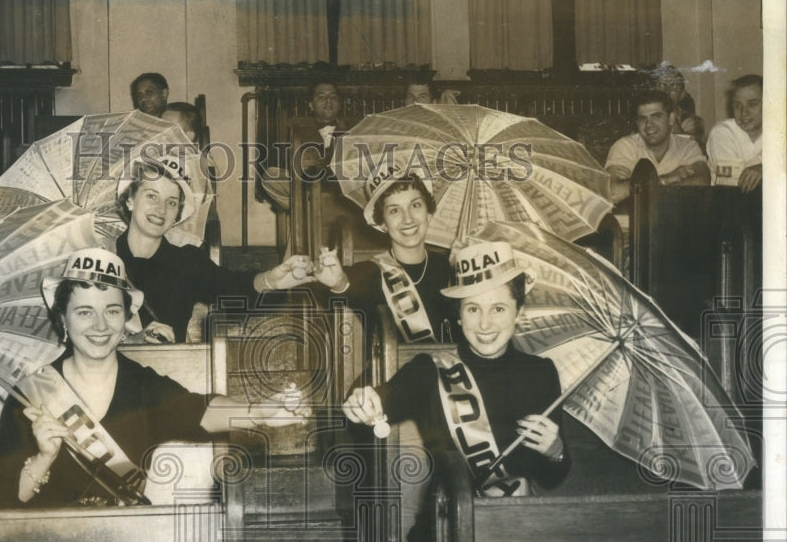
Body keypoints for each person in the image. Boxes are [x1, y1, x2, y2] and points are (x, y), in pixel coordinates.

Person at [0, 248, 308, 509]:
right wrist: (43, 458)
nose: (100, 325)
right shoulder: (32, 396)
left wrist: (260, 412)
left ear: (125, 319)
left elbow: (199, 410)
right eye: (84, 312)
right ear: (63, 319)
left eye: (112, 311)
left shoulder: (141, 383)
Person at [342, 240, 570, 497]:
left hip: (515, 524)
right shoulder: (430, 370)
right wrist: (367, 403)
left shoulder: (540, 374)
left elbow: (551, 479)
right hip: (449, 523)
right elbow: (390, 397)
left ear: (518, 312)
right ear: (459, 315)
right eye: (473, 309)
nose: (485, 324)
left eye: (498, 309)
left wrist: (556, 452)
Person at [115, 155, 315, 343]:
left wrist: (270, 280)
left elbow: (233, 287)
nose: (161, 209)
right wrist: (133, 340)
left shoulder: (186, 262)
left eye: (172, 202)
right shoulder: (102, 259)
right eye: (151, 196)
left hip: (169, 372)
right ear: (130, 200)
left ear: (177, 214)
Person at [314, 165, 455, 344]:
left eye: (416, 205)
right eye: (394, 210)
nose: (408, 218)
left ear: (429, 213)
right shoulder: (370, 273)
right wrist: (339, 283)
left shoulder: (450, 267)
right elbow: (346, 287)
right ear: (382, 224)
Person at [605, 90, 710, 204]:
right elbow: (613, 192)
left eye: (656, 116)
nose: (649, 125)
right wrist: (665, 179)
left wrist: (636, 185)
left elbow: (702, 183)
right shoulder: (625, 147)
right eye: (642, 119)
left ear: (671, 119)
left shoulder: (688, 147)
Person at [258, 80, 348, 212]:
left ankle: (306, 208)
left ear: (339, 105)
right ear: (311, 105)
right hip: (306, 190)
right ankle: (306, 208)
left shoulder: (353, 132)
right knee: (271, 176)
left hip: (340, 194)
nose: (328, 101)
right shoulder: (297, 132)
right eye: (321, 96)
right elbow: (289, 168)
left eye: (333, 97)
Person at [706, 75, 762, 193]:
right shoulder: (722, 133)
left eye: (752, 104)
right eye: (738, 106)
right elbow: (737, 186)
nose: (744, 113)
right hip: (731, 204)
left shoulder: (780, 131)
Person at [651, 63, 705, 149]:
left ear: (682, 94)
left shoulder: (692, 121)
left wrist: (672, 120)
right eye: (662, 85)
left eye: (674, 87)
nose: (667, 91)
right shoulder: (643, 117)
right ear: (654, 90)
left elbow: (694, 149)